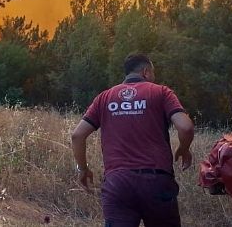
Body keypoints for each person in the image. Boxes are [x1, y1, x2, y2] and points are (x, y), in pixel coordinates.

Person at [70, 53, 195, 227]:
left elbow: (77, 135)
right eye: (153, 72)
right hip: (156, 182)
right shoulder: (161, 92)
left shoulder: (104, 98)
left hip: (118, 184)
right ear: (146, 72)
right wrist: (184, 148)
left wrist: (83, 169)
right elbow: (186, 127)